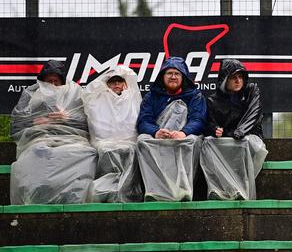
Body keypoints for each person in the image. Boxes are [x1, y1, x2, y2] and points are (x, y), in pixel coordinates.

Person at [10, 60, 96, 204]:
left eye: (56, 80)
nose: (53, 84)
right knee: (38, 153)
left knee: (86, 153)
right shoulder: (31, 94)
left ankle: (75, 198)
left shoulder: (76, 93)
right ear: (42, 81)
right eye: (49, 81)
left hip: (73, 140)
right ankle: (35, 197)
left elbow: (90, 124)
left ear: (62, 80)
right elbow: (16, 127)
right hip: (38, 140)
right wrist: (34, 122)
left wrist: (67, 118)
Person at [136, 56, 207, 201]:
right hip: (160, 138)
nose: (173, 77)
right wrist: (155, 132)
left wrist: (183, 132)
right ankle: (154, 191)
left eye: (177, 73)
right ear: (163, 76)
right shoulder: (151, 97)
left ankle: (184, 190)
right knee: (142, 140)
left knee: (192, 141)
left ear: (184, 77)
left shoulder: (195, 96)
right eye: (169, 73)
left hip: (183, 137)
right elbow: (143, 121)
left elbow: (199, 120)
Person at [201, 59, 268, 200]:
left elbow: (254, 114)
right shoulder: (212, 101)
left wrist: (238, 132)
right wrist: (215, 130)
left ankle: (240, 190)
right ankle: (217, 190)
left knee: (245, 143)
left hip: (249, 137)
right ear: (224, 80)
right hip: (227, 140)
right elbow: (208, 124)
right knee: (208, 142)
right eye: (233, 77)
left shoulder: (251, 91)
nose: (238, 81)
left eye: (240, 77)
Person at [82, 66, 143, 202]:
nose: (116, 84)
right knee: (106, 151)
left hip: (129, 144)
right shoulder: (98, 99)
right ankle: (106, 194)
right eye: (112, 82)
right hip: (104, 145)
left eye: (120, 81)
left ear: (125, 84)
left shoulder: (132, 98)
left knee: (131, 152)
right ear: (106, 84)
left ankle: (129, 194)